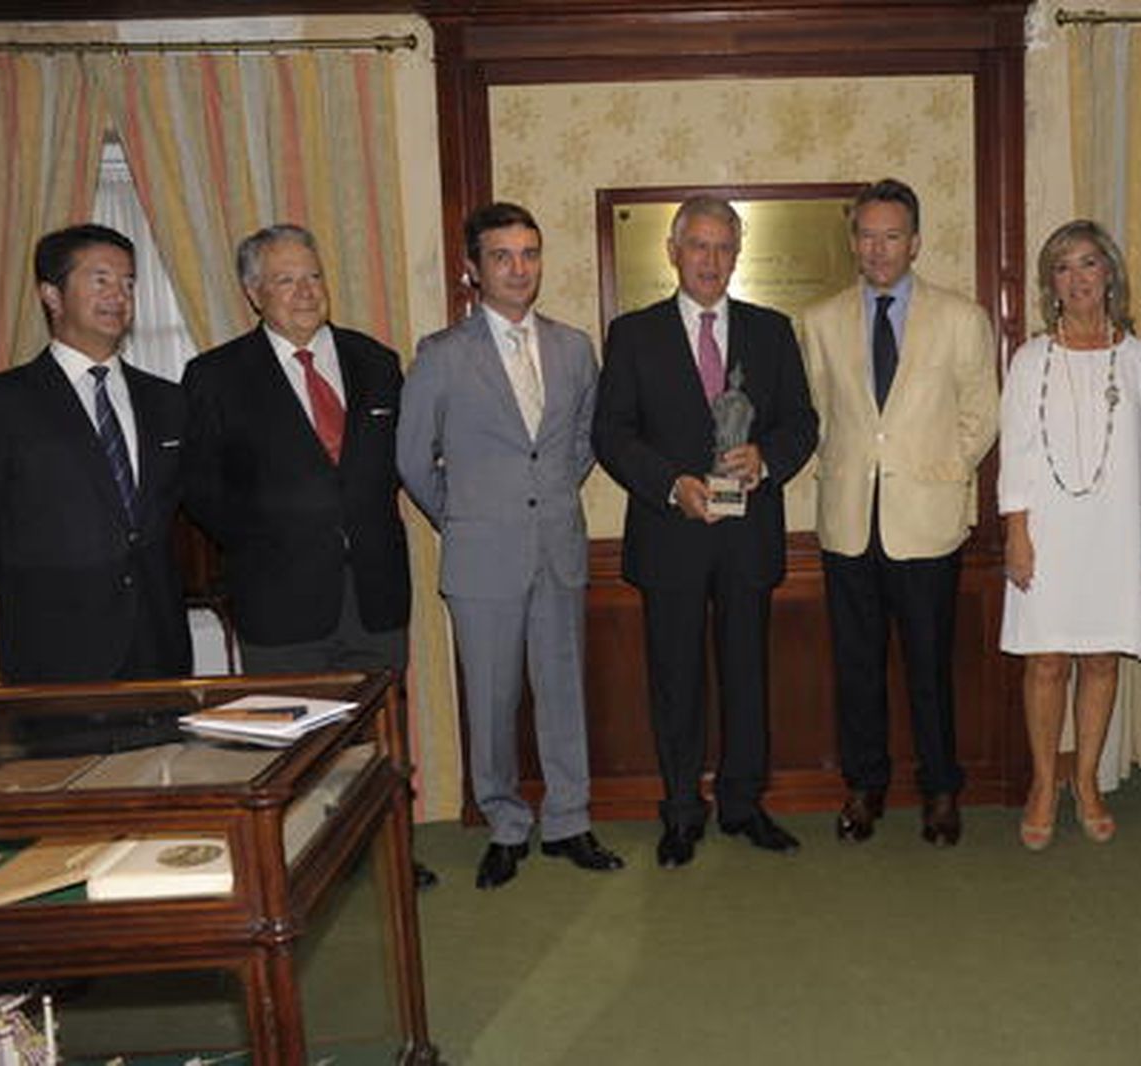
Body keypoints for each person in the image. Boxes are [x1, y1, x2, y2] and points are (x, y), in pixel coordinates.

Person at [399, 202, 622, 889]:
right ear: (473, 269)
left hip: (557, 546)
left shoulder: (575, 346)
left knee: (562, 692)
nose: (518, 268)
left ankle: (568, 819)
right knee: (491, 702)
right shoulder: (441, 356)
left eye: (529, 253)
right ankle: (504, 821)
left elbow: (583, 443)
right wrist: (465, 517)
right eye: (502, 256)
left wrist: (546, 500)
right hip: (480, 558)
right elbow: (412, 460)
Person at [593, 195, 817, 869]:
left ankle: (745, 805)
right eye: (699, 246)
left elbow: (802, 422)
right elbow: (612, 433)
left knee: (748, 674)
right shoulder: (633, 334)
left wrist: (767, 458)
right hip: (671, 535)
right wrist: (671, 484)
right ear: (673, 250)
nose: (711, 261)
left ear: (736, 254)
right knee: (676, 679)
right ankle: (682, 811)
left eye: (724, 248)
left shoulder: (772, 330)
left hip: (748, 535)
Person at [800, 178, 998, 847]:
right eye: (867, 235)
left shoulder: (961, 317)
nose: (878, 248)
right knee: (855, 664)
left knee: (928, 665)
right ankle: (865, 786)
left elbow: (982, 413)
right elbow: (821, 416)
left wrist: (944, 469)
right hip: (849, 520)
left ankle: (940, 790)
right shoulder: (821, 321)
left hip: (927, 520)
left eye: (892, 236)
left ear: (914, 242)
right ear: (853, 241)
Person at [999, 220, 1141, 849]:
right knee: (1046, 660)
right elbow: (1014, 452)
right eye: (1064, 267)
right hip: (1047, 529)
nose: (1077, 279)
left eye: (1089, 264)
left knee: (1101, 658)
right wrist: (1017, 532)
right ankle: (1046, 783)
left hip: (1116, 528)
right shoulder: (1029, 360)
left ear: (1110, 275)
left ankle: (1088, 781)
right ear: (1051, 282)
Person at [182, 224, 411, 677]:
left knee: (376, 742)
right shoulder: (215, 377)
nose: (305, 292)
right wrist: (267, 539)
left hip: (376, 601)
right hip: (278, 606)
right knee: (296, 743)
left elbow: (396, 465)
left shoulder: (377, 363)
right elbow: (200, 488)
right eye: (286, 280)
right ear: (253, 293)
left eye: (314, 277)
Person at [0, 224, 191, 684]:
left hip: (158, 644)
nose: (120, 295)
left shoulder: (168, 402)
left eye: (129, 283)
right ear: (51, 295)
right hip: (53, 649)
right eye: (101, 280)